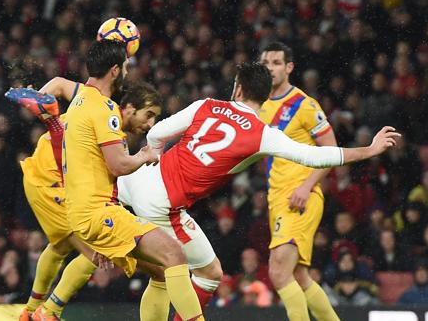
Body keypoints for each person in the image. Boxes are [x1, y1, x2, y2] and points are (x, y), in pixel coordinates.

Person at [23, 61, 399, 321]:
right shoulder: (263, 133)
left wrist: (159, 158)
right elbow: (315, 157)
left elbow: (155, 133)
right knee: (208, 273)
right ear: (266, 98)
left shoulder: (208, 105)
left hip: (136, 180)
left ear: (236, 88)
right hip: (163, 201)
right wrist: (369, 149)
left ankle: (48, 307)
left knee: (153, 270)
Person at [41, 39, 204, 321]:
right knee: (175, 254)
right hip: (97, 213)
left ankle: (50, 311)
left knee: (161, 271)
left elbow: (56, 85)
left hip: (86, 212)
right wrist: (143, 155)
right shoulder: (104, 110)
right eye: (126, 66)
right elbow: (117, 165)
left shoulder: (80, 100)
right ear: (115, 70)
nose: (127, 72)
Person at [7, 56, 167, 320]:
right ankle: (48, 312)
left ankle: (32, 311)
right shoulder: (107, 119)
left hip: (43, 173)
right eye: (149, 115)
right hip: (53, 179)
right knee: (95, 251)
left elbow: (59, 84)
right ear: (128, 107)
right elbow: (114, 170)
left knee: (61, 247)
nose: (150, 125)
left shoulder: (93, 104)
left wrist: (44, 105)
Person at [258, 41, 339, 321]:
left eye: (276, 63)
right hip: (276, 198)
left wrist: (306, 186)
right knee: (299, 275)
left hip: (300, 197)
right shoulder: (260, 106)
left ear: (289, 67)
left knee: (278, 271)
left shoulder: (304, 105)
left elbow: (331, 150)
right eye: (265, 63)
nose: (270, 68)